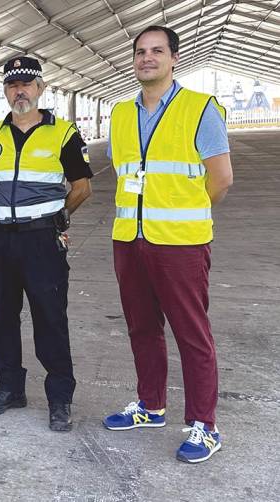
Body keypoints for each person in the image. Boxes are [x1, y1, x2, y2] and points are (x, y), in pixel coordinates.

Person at [102, 25, 233, 464]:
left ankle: (204, 425)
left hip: (180, 243)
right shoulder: (120, 114)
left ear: (174, 58)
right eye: (140, 52)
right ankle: (150, 406)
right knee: (142, 328)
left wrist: (185, 210)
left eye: (157, 51)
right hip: (129, 239)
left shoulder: (200, 109)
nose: (147, 58)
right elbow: (124, 173)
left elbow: (221, 179)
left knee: (192, 334)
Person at [0, 56, 92, 431]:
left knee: (50, 318)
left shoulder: (64, 133)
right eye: (11, 85)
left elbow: (82, 187)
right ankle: (10, 388)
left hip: (41, 241)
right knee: (1, 317)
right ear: (5, 91)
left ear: (40, 88)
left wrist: (57, 218)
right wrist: (1, 214)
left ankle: (59, 398)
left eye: (26, 84)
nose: (18, 90)